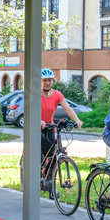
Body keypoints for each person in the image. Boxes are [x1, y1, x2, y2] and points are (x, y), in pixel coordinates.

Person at [40, 68, 83, 197]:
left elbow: (68, 108)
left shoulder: (57, 94)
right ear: (40, 81)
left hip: (49, 127)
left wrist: (77, 120)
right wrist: (39, 120)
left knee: (53, 156)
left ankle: (52, 187)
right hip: (37, 126)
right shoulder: (36, 93)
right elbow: (31, 109)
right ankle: (35, 177)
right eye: (44, 80)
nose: (47, 83)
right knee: (38, 151)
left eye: (49, 80)